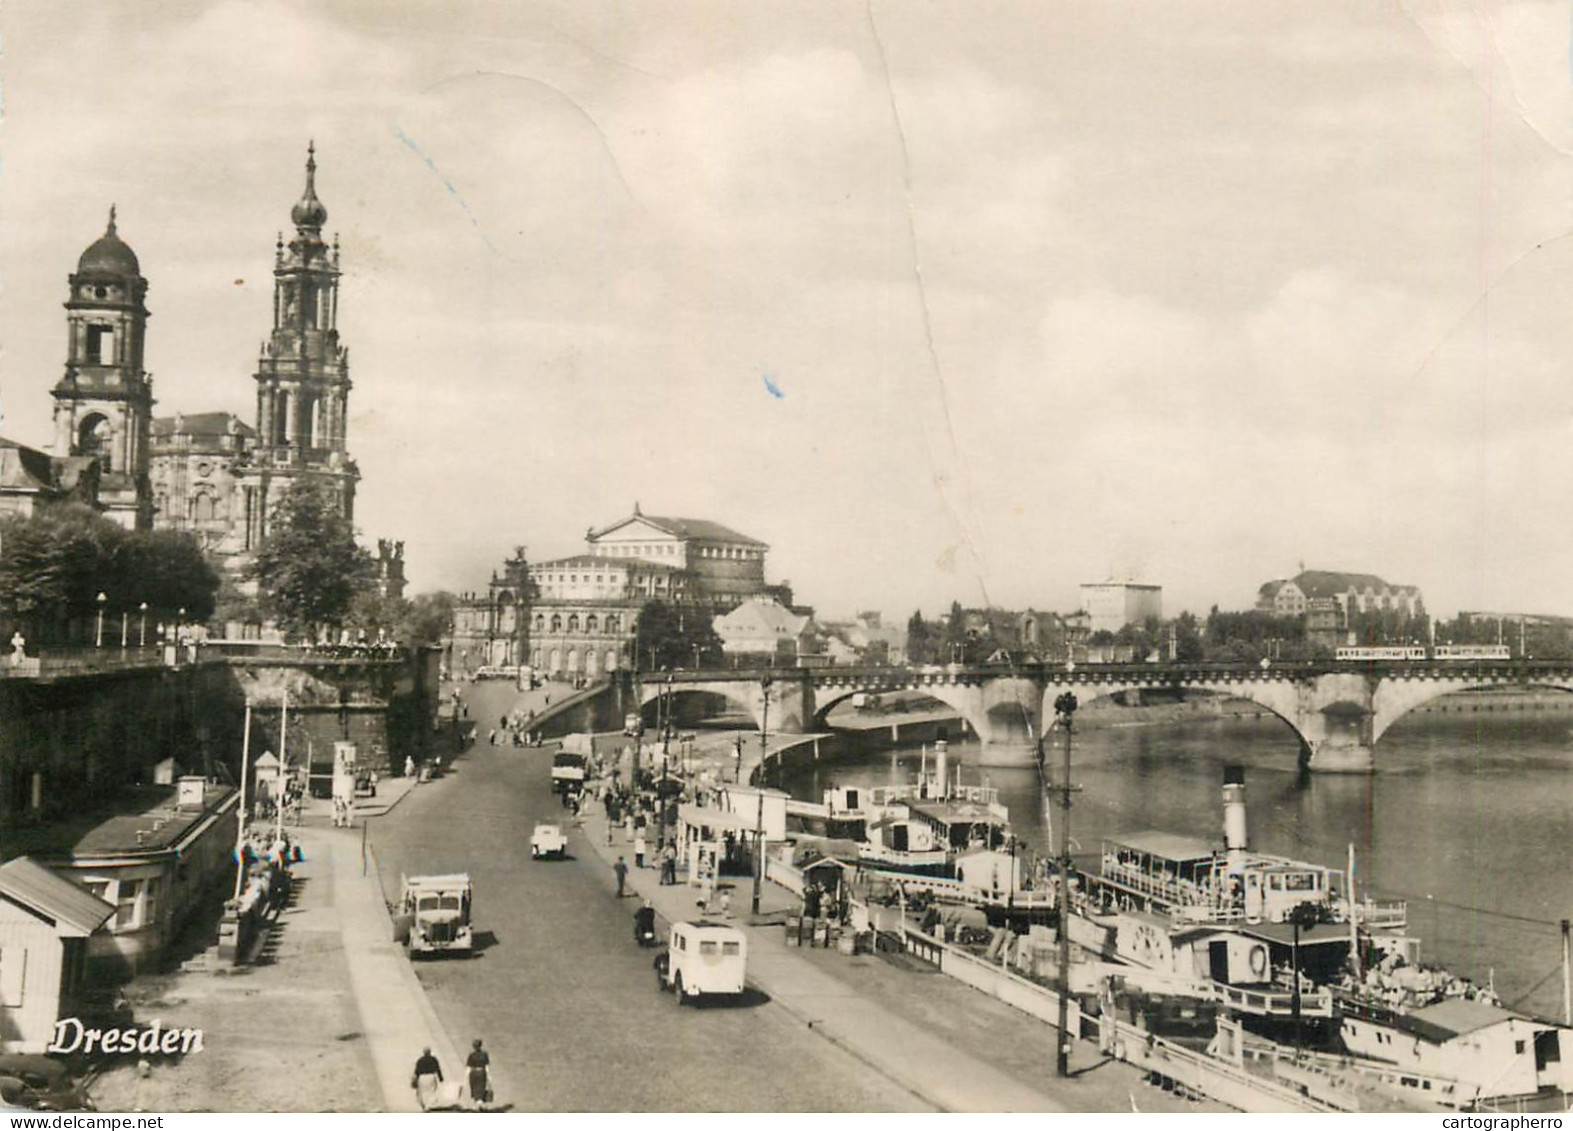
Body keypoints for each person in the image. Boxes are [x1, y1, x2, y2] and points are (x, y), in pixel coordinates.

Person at [466, 1039, 491, 1111]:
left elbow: (469, 1067)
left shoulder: (471, 1055)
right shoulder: (484, 1054)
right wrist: (489, 1076)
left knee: (474, 1089)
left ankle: (479, 1104)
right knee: (481, 1088)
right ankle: (481, 1104)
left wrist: (465, 1077)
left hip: (473, 1073)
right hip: (482, 1073)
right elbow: (486, 1066)